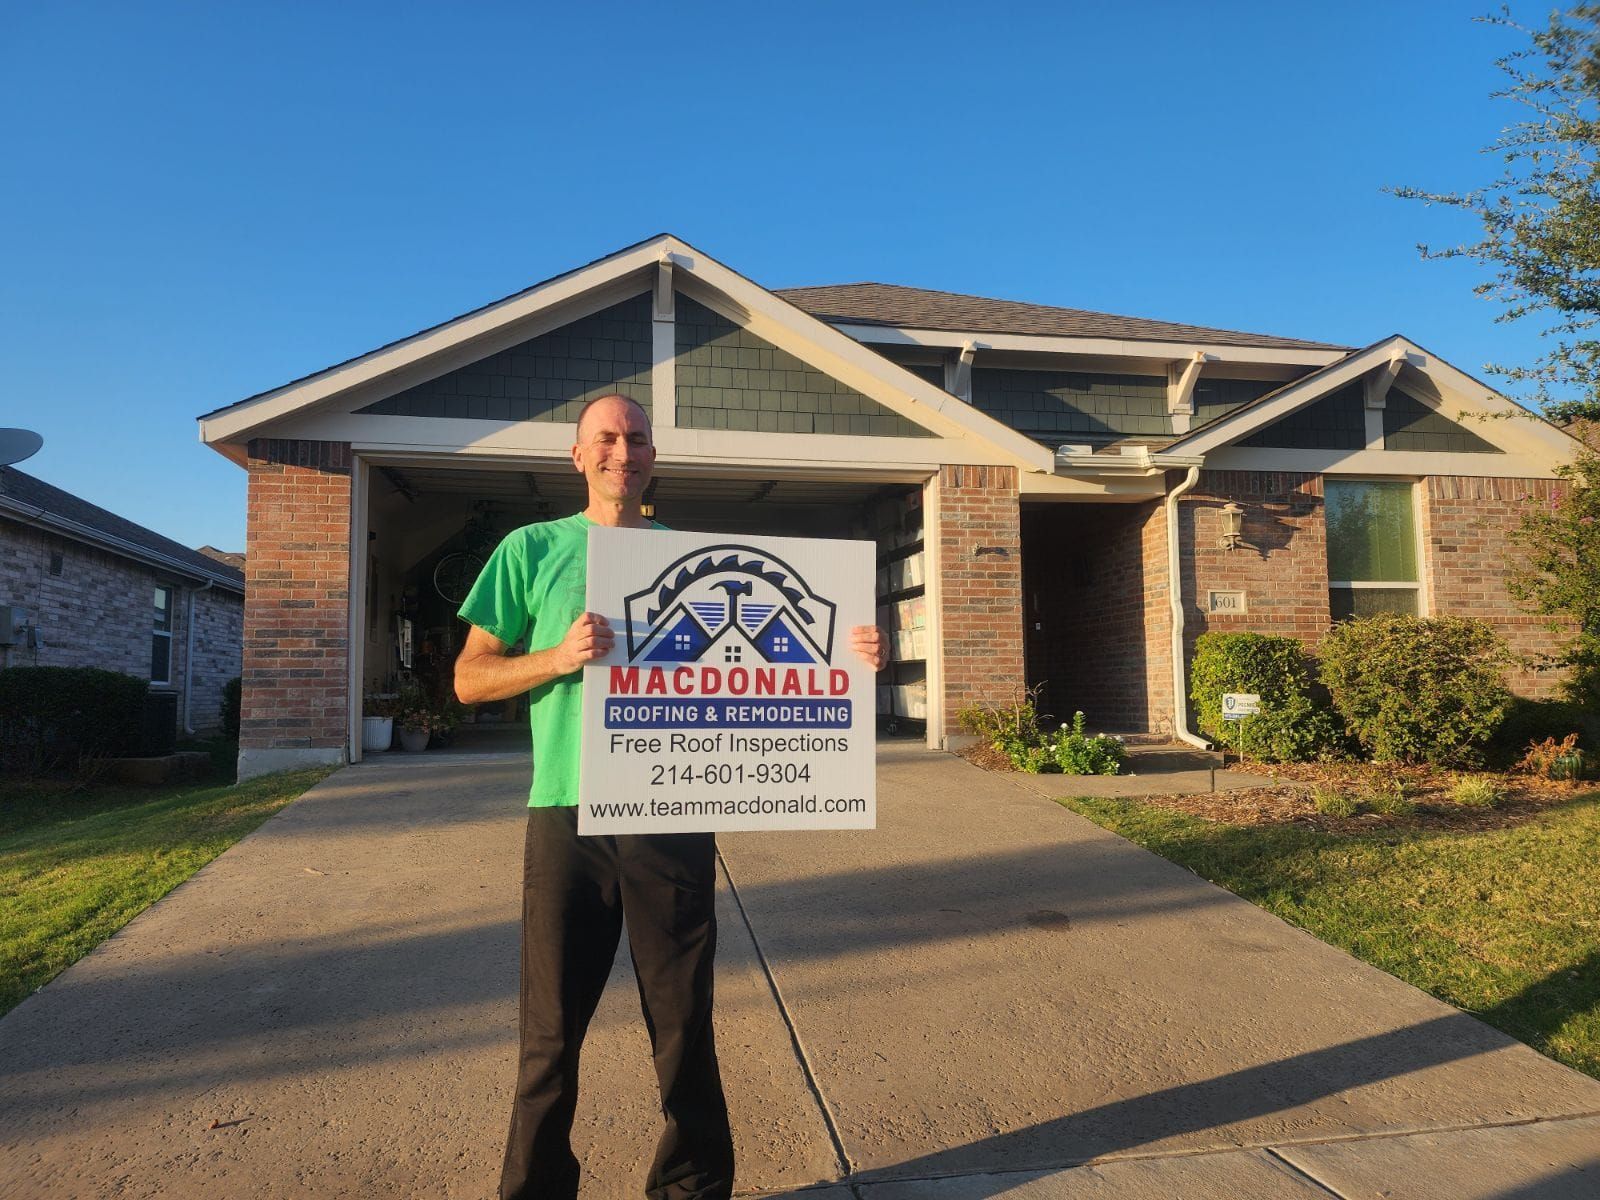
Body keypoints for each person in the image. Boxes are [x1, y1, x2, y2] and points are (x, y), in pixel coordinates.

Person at [454, 393, 886, 1200]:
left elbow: (774, 657)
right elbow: (468, 678)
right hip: (567, 817)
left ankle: (691, 1188)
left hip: (671, 816)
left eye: (638, 438)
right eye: (607, 438)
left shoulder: (690, 556)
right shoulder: (530, 548)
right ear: (577, 456)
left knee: (684, 1028)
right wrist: (555, 657)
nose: (624, 450)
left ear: (654, 456)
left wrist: (852, 651)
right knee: (549, 1035)